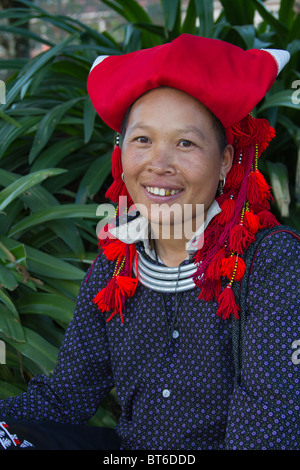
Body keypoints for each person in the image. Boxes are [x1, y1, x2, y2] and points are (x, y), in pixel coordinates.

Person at [0, 34, 299, 451]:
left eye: (185, 143)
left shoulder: (271, 262)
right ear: (122, 154)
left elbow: (268, 430)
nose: (159, 165)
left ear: (226, 161)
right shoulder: (117, 265)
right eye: (143, 140)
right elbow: (64, 398)